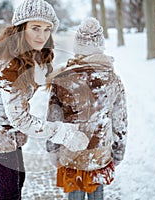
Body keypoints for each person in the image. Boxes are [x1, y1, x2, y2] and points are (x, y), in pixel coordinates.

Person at [0, 0, 89, 199]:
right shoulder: (10, 64)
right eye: (35, 28)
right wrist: (63, 133)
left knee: (18, 182)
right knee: (9, 193)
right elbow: (20, 119)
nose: (42, 35)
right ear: (21, 27)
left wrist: (66, 72)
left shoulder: (26, 52)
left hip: (7, 131)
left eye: (47, 29)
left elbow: (35, 78)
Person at [46, 17, 128, 200]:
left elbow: (53, 120)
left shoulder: (62, 79)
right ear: (100, 45)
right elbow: (120, 123)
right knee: (96, 194)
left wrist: (53, 149)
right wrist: (118, 152)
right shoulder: (113, 80)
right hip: (99, 155)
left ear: (78, 46)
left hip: (71, 155)